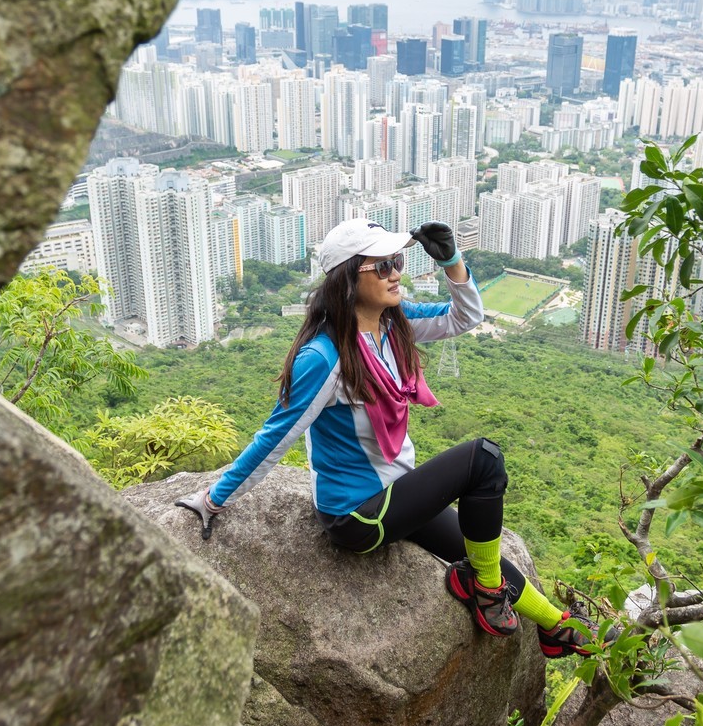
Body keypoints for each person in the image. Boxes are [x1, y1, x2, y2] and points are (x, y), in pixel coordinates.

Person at [176, 218, 591, 658]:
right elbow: (274, 438)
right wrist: (213, 500)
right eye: (383, 266)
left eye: (397, 261)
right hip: (357, 516)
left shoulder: (394, 323)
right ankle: (483, 590)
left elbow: (466, 317)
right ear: (347, 281)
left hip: (395, 494)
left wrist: (451, 260)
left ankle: (554, 627)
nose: (396, 273)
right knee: (483, 460)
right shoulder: (324, 357)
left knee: (486, 556)